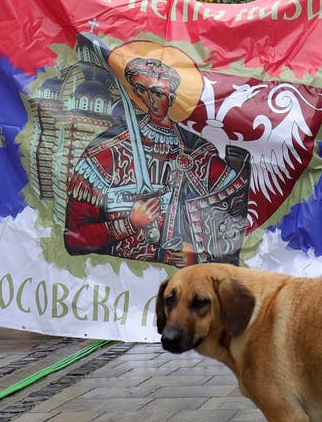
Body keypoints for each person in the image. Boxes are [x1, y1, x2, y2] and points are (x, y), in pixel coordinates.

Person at [64, 54, 251, 266]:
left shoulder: (200, 154)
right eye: (141, 90)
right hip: (115, 288)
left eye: (157, 92)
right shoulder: (106, 152)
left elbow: (232, 227)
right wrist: (129, 224)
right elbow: (74, 238)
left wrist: (198, 257)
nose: (149, 100)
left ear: (172, 97)